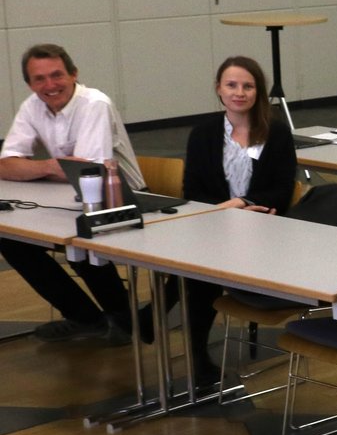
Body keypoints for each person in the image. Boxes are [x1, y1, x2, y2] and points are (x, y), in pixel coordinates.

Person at [167, 56, 298, 389]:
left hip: (264, 230)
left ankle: (154, 315)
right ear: (219, 89)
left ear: (259, 91)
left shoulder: (277, 132)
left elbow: (282, 190)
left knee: (197, 270)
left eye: (248, 86)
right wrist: (223, 214)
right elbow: (192, 190)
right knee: (199, 267)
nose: (240, 92)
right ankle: (197, 354)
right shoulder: (203, 134)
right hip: (214, 227)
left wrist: (242, 203)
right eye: (232, 85)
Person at [0, 43, 144, 344]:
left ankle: (124, 320)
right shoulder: (32, 106)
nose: (49, 85)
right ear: (30, 84)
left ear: (74, 74)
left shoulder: (94, 104)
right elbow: (6, 165)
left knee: (79, 238)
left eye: (57, 75)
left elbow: (88, 173)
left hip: (127, 200)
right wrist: (51, 166)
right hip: (66, 197)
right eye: (39, 79)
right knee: (11, 241)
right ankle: (84, 317)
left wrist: (35, 167)